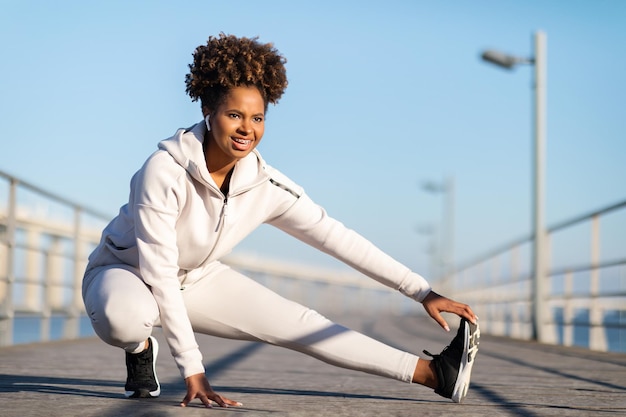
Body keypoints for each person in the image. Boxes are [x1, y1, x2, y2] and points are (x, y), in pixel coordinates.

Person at [82, 33, 480, 409]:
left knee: (301, 324)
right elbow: (159, 273)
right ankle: (140, 349)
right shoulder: (163, 171)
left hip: (196, 278)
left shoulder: (266, 185)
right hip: (124, 272)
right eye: (235, 114)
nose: (247, 129)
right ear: (208, 110)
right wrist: (194, 370)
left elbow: (336, 238)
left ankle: (435, 374)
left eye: (257, 118)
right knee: (126, 319)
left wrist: (422, 292)